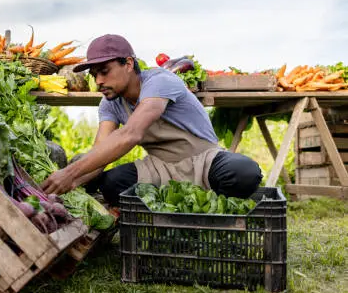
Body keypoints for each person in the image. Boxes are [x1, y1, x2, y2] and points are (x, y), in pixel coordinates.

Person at [41, 34, 262, 205]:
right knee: (110, 184)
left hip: (203, 161)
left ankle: (205, 204)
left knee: (243, 173)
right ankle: (173, 205)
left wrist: (68, 173)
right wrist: (66, 186)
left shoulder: (159, 81)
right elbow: (100, 153)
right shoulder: (109, 103)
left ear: (128, 64)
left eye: (104, 71)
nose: (98, 81)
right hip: (160, 168)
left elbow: (131, 134)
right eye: (94, 75)